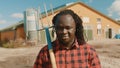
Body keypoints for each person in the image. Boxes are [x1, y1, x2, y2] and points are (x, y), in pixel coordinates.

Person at [34, 9, 101, 68]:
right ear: (55, 29)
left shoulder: (89, 52)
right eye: (60, 28)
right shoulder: (44, 53)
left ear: (75, 28)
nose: (64, 32)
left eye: (68, 28)